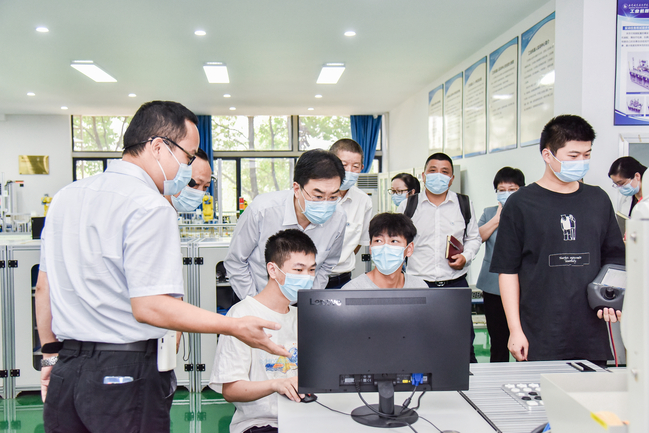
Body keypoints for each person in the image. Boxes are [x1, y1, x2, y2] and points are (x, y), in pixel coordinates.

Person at [35, 101, 289, 433]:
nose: (187, 167)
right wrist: (234, 326)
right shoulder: (149, 205)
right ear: (158, 147)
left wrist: (51, 356)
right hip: (124, 374)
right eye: (188, 156)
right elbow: (150, 306)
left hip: (67, 369)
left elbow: (44, 286)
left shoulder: (66, 197)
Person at [491, 114, 626, 363]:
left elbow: (615, 257)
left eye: (586, 155)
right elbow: (507, 271)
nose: (581, 162)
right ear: (547, 155)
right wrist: (515, 330)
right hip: (539, 331)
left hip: (590, 332)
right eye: (573, 156)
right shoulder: (520, 204)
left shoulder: (598, 200)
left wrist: (611, 296)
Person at [210, 229, 316, 433]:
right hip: (261, 424)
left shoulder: (304, 317)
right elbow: (231, 390)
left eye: (311, 270)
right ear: (273, 270)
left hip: (306, 418)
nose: (307, 277)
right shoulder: (242, 315)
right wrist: (275, 384)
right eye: (299, 270)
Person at [225, 149, 347, 299]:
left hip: (301, 303)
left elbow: (327, 265)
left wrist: (308, 299)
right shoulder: (262, 211)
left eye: (333, 197)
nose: (325, 204)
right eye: (318, 196)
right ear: (297, 189)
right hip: (256, 297)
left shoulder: (338, 218)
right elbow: (235, 262)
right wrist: (255, 303)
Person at [397, 152, 481, 363]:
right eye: (433, 170)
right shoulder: (408, 206)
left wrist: (466, 257)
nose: (438, 175)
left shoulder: (463, 204)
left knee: (462, 344)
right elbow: (397, 242)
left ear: (451, 179)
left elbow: (474, 237)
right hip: (418, 285)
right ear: (423, 175)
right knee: (416, 343)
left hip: (455, 285)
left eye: (444, 172)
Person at [476, 167, 525, 363]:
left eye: (512, 189)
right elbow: (477, 238)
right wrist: (497, 219)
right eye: (501, 190)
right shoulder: (489, 213)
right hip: (492, 285)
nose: (506, 193)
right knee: (498, 338)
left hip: (523, 284)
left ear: (522, 189)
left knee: (524, 337)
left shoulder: (529, 211)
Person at [325, 139, 373, 289]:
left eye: (355, 166)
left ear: (362, 168)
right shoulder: (311, 194)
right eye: (343, 165)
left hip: (342, 279)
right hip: (308, 276)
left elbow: (359, 242)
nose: (349, 171)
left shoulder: (363, 201)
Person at [342, 213, 427, 289]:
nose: (385, 248)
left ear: (409, 249)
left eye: (394, 241)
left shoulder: (419, 288)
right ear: (370, 247)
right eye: (378, 241)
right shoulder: (352, 290)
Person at [166, 148, 213, 212]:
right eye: (196, 184)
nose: (200, 192)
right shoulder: (155, 209)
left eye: (206, 186)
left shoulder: (169, 213)